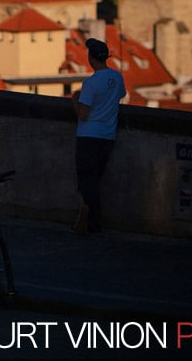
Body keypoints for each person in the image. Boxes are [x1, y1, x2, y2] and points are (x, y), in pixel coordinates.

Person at [74, 37, 126, 235]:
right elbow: (120, 95)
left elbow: (83, 114)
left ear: (91, 58)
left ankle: (90, 221)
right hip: (108, 136)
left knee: (86, 180)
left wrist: (74, 101)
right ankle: (91, 221)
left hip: (88, 135)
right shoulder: (117, 77)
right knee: (96, 179)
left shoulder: (91, 83)